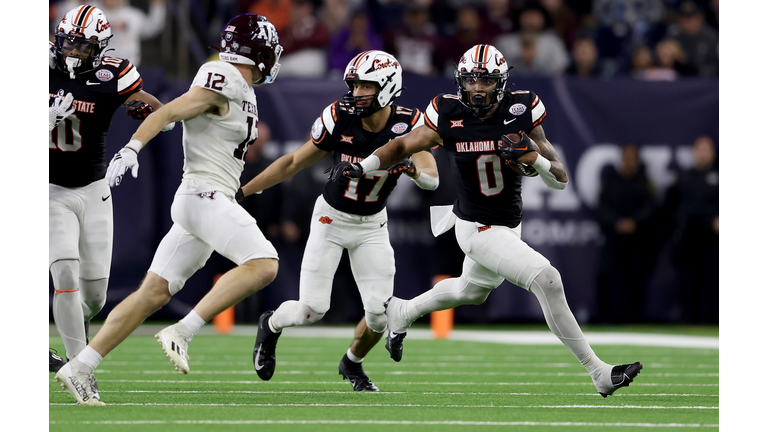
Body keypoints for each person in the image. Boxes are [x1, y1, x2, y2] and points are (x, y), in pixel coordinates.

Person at [327, 44, 643, 398]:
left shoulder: (521, 110)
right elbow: (401, 146)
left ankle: (402, 311)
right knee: (548, 280)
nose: (477, 88)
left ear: (501, 82)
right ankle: (598, 372)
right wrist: (363, 166)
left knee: (471, 290)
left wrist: (534, 159)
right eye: (472, 80)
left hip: (508, 222)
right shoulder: (447, 112)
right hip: (475, 226)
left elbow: (560, 177)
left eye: (486, 81)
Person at [53, 13, 284, 406]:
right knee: (264, 263)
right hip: (203, 195)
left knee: (153, 292)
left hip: (209, 198)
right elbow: (169, 112)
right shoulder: (223, 75)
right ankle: (184, 329)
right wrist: (132, 147)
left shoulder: (239, 87)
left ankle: (79, 366)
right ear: (260, 52)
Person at [242, 50, 439, 391]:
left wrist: (411, 169)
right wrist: (244, 192)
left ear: (389, 87)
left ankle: (352, 363)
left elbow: (432, 177)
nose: (358, 93)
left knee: (379, 316)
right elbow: (292, 162)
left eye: (367, 86)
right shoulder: (339, 117)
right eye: (355, 85)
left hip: (373, 225)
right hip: (330, 219)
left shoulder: (409, 123)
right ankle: (271, 324)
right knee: (312, 310)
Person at [49, 4, 171, 375]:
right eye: (68, 43)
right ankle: (78, 368)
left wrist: (155, 116)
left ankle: (74, 338)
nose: (72, 52)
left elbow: (155, 110)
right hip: (48, 188)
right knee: (65, 274)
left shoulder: (114, 74)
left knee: (94, 297)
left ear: (100, 48)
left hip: (93, 188)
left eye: (82, 47)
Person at [594, 145, 657, 323]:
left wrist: (634, 222)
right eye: (626, 157)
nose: (629, 161)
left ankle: (633, 318)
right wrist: (617, 223)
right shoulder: (611, 180)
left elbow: (651, 207)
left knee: (635, 278)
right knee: (608, 275)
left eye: (632, 158)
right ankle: (607, 317)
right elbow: (601, 207)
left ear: (637, 160)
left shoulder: (644, 182)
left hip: (638, 240)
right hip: (614, 238)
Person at [663, 135, 718, 324]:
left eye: (707, 149)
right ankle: (688, 320)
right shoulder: (684, 177)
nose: (703, 153)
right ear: (694, 151)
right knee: (687, 281)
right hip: (688, 238)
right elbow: (670, 206)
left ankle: (711, 320)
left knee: (712, 281)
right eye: (700, 149)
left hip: (713, 240)